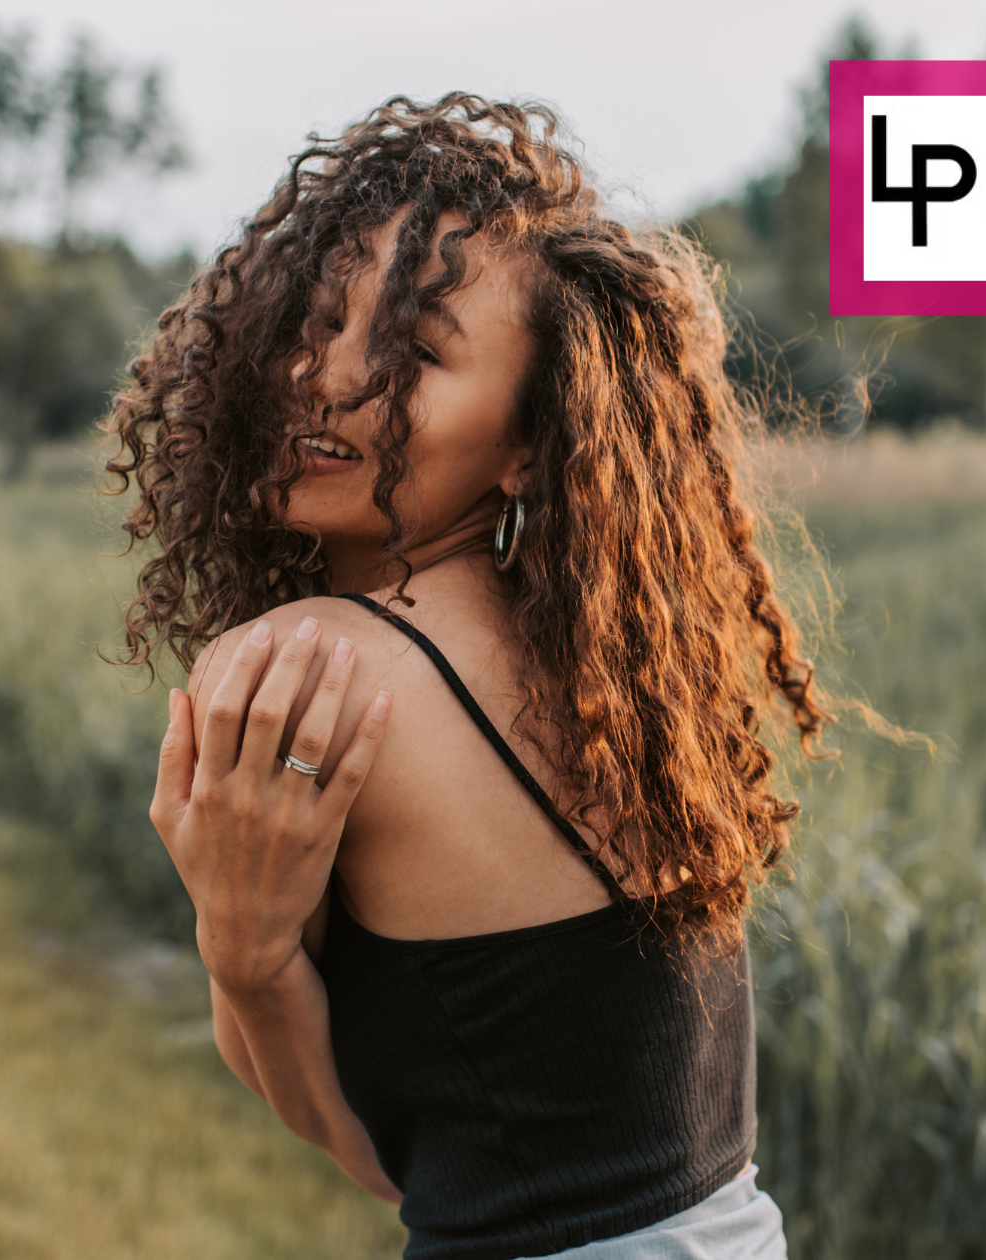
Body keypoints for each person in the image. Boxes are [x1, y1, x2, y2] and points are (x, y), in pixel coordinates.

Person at [104, 92, 841, 1259]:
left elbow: (360, 1148)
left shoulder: (308, 667)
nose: (324, 379)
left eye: (409, 353)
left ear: (528, 445)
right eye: (318, 321)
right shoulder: (612, 672)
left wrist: (242, 954)